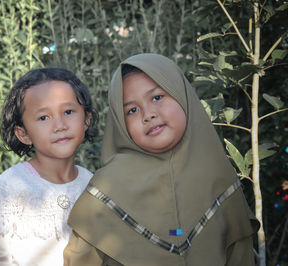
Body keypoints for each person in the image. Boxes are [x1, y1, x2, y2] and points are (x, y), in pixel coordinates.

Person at [64, 54, 259, 266]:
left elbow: (241, 254)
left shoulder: (217, 176)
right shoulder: (107, 189)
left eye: (157, 97)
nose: (148, 114)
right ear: (120, 124)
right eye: (132, 110)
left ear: (182, 95)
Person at [0, 68, 97, 265]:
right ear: (23, 133)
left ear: (86, 119)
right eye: (44, 117)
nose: (60, 125)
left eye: (68, 112)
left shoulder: (92, 184)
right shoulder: (9, 188)